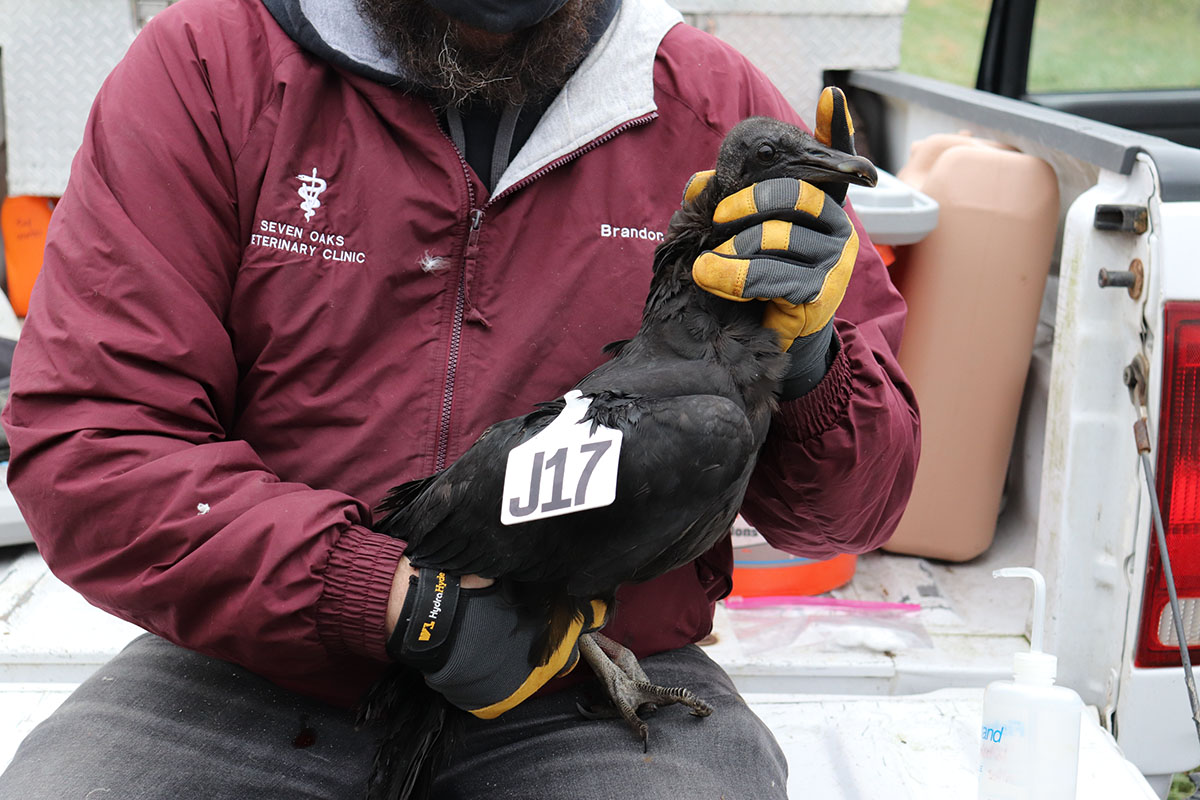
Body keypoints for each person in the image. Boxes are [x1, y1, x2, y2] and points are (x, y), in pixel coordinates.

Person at [0, 0, 920, 797]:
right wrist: (392, 598)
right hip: (255, 658)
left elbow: (853, 511)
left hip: (592, 679)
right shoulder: (211, 68)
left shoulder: (713, 106)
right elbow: (95, 442)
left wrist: (806, 364)